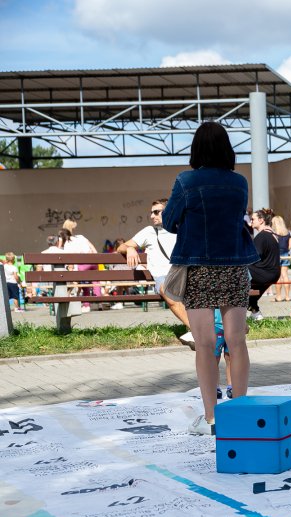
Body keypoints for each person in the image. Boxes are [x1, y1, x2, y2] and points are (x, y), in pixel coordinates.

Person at [161, 120, 258, 436]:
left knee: (204, 344)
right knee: (237, 341)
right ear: (227, 149)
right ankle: (240, 413)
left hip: (199, 268)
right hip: (233, 268)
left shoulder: (186, 181)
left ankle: (211, 418)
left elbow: (169, 221)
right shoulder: (239, 183)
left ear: (197, 149)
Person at [117, 198, 193, 346]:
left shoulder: (183, 228)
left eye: (156, 212)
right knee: (167, 289)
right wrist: (131, 248)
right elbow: (122, 247)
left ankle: (217, 327)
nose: (152, 216)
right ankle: (197, 331)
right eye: (151, 213)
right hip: (164, 276)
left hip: (184, 273)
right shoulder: (149, 232)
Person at [247, 208, 281, 320]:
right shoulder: (271, 234)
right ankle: (255, 312)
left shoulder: (262, 236)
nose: (250, 221)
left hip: (264, 273)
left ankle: (235, 317)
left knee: (236, 273)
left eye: (253, 219)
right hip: (273, 273)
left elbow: (254, 256)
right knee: (249, 295)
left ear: (261, 220)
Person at [61, 218, 101, 304]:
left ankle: (86, 304)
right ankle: (99, 303)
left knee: (85, 283)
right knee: (96, 281)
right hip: (93, 262)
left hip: (82, 265)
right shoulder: (81, 237)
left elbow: (69, 258)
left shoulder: (68, 242)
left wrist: (70, 268)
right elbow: (93, 249)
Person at [271, 215, 291, 302]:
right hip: (285, 254)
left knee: (278, 276)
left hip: (276, 255)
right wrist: (287, 249)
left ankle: (279, 296)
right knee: (285, 275)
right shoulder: (287, 233)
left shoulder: (274, 233)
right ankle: (287, 296)